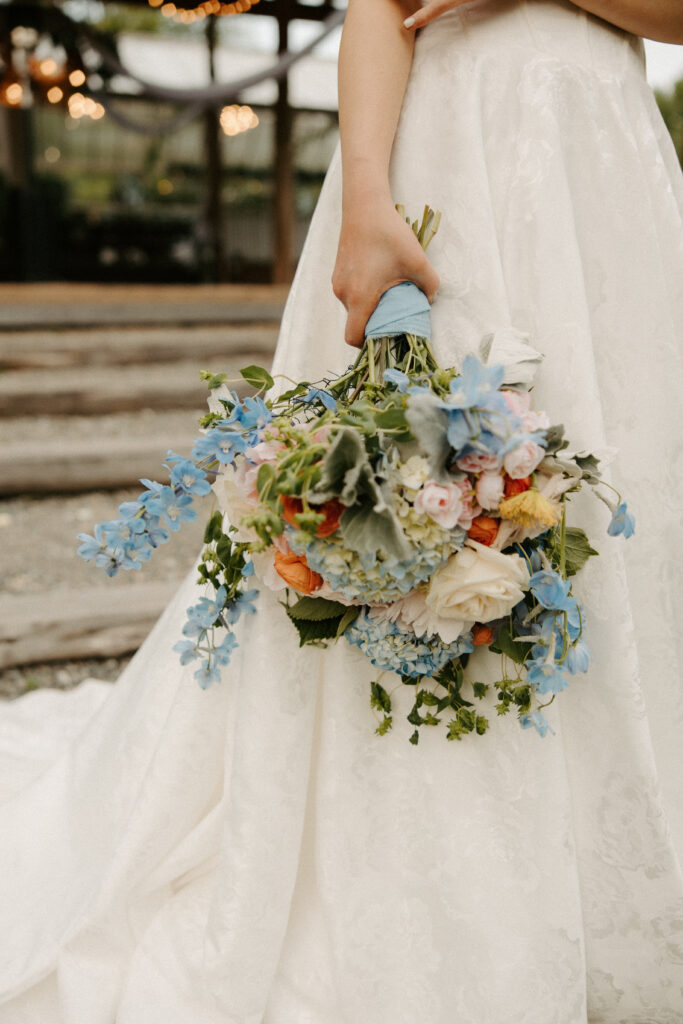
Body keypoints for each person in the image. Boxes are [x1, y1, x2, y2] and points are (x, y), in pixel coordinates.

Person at [1, 0, 682, 1020]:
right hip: (440, 144)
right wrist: (367, 194)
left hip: (595, 169)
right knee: (408, 471)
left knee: (620, 482)